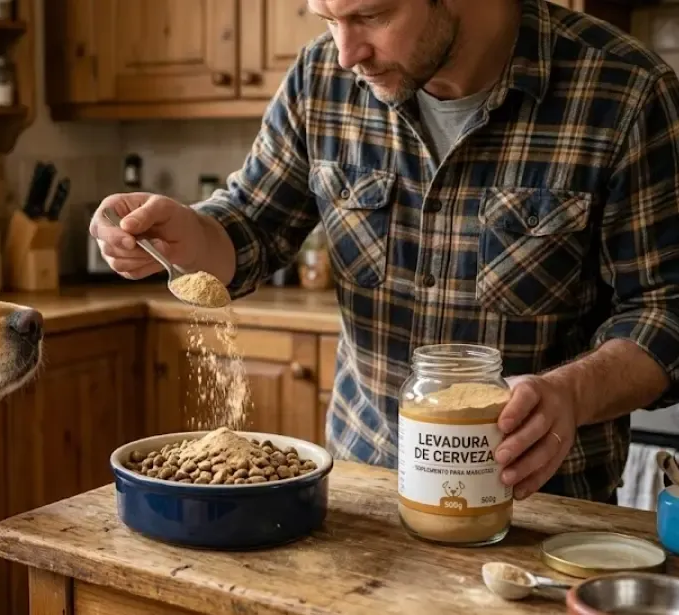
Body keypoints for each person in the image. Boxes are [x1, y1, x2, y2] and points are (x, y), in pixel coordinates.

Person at [89, 0, 679, 504]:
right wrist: (184, 234)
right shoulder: (322, 77)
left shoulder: (625, 92)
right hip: (360, 491)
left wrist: (569, 394)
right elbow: (250, 226)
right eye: (327, 18)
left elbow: (664, 310)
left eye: (370, 15)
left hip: (534, 510)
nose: (346, 52)